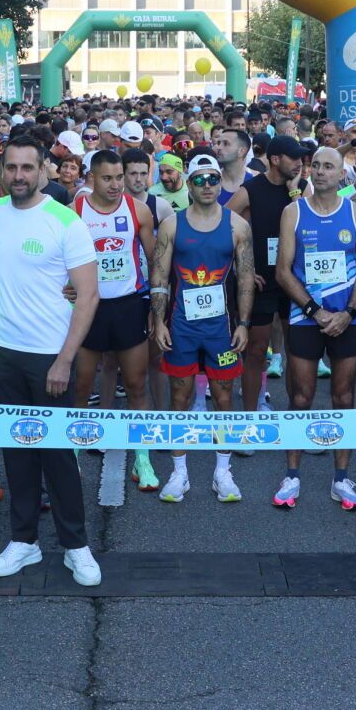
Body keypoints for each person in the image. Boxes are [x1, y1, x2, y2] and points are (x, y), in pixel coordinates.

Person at [0, 137, 104, 586]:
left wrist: (64, 360)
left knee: (57, 454)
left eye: (27, 168)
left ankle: (76, 545)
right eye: (11, 167)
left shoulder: (65, 221)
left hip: (51, 356)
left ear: (42, 172)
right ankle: (24, 540)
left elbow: (88, 294)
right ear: (1, 171)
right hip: (2, 351)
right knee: (17, 451)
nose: (19, 175)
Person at [149, 153, 255, 503]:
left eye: (213, 179)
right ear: (189, 185)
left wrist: (243, 323)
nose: (207, 185)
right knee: (179, 397)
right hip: (181, 326)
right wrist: (159, 322)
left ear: (220, 183)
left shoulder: (237, 226)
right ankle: (179, 473)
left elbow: (245, 279)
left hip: (220, 329)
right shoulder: (172, 225)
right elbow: (159, 278)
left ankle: (222, 471)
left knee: (224, 397)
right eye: (199, 180)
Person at [272, 144, 356, 511]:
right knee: (301, 397)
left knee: (344, 397)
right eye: (315, 165)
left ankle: (341, 478)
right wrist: (315, 311)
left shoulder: (355, 212)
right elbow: (283, 271)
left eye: (328, 166)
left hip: (348, 317)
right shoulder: (293, 212)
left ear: (342, 174)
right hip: (306, 317)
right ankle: (292, 475)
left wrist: (347, 312)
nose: (320, 171)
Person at [74, 149, 161, 490]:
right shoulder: (75, 211)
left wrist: (156, 308)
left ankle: (142, 459)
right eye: (107, 178)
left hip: (128, 305)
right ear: (92, 178)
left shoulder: (138, 210)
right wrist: (65, 285)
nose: (115, 185)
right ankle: (73, 455)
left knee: (137, 384)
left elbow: (155, 261)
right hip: (90, 309)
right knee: (82, 386)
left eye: (119, 178)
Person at [231, 132, 304, 417]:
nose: (299, 163)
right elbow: (221, 224)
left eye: (301, 158)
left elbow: (311, 223)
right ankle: (250, 418)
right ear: (275, 159)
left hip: (294, 281)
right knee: (256, 351)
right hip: (261, 280)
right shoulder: (251, 188)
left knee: (296, 352)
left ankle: (295, 418)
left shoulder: (302, 188)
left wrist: (296, 192)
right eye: (293, 158)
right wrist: (242, 268)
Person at [212, 126, 251, 207]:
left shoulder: (255, 179)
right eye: (218, 143)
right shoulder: (210, 182)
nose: (218, 147)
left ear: (241, 151)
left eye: (226, 143)